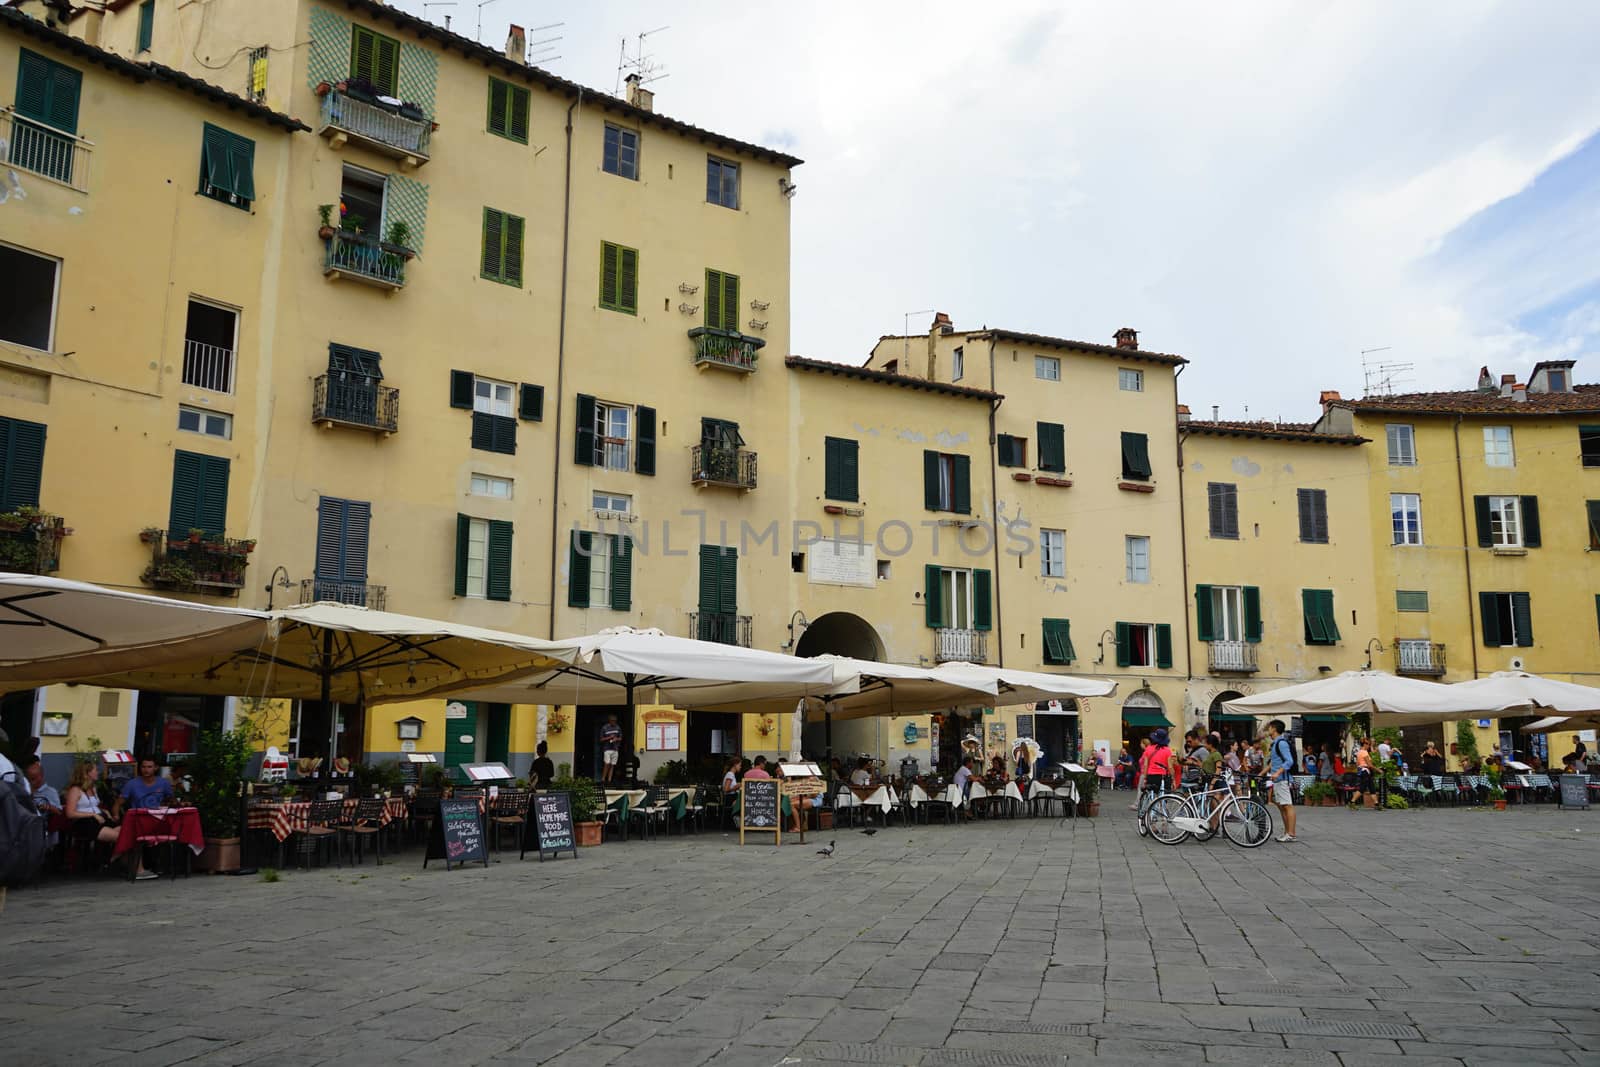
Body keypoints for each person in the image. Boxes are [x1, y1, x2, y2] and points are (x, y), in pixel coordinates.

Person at [1264, 720, 1297, 843]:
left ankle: (1291, 834)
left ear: (1274, 729)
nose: (1268, 730)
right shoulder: (1276, 743)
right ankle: (1287, 832)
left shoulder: (1281, 743)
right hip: (1277, 779)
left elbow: (1289, 761)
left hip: (1282, 779)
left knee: (1287, 805)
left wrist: (1278, 772)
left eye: (1269, 727)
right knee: (1282, 806)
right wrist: (1262, 774)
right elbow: (1274, 762)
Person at [24, 758, 62, 852]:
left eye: (32, 779)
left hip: (42, 831)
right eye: (28, 779)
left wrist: (48, 807)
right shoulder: (24, 790)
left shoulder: (50, 792)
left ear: (40, 776)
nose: (30, 782)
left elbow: (59, 812)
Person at [598, 714, 622, 783]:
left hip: (615, 748)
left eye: (615, 721)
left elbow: (620, 738)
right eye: (612, 721)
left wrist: (616, 739)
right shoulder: (604, 728)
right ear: (609, 721)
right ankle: (603, 779)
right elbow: (601, 739)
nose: (614, 722)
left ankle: (609, 780)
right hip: (607, 748)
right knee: (607, 763)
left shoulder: (618, 728)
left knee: (612, 765)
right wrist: (609, 737)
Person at [1351, 739, 1374, 807]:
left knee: (1372, 787)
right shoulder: (1364, 752)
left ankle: (1376, 803)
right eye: (1368, 744)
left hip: (1363, 771)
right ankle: (1352, 801)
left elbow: (1357, 763)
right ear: (1364, 744)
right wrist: (1378, 770)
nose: (1369, 746)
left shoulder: (1359, 752)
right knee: (1363, 788)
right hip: (1365, 771)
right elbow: (1369, 764)